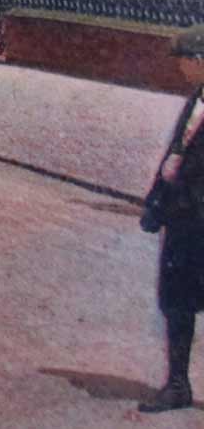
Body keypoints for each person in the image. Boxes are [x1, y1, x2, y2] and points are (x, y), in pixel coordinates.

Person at [141, 28, 204, 414]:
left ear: (199, 60)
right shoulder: (197, 98)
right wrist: (157, 201)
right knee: (177, 301)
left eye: (183, 60)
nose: (180, 69)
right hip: (185, 221)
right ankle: (178, 384)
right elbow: (176, 152)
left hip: (198, 217)